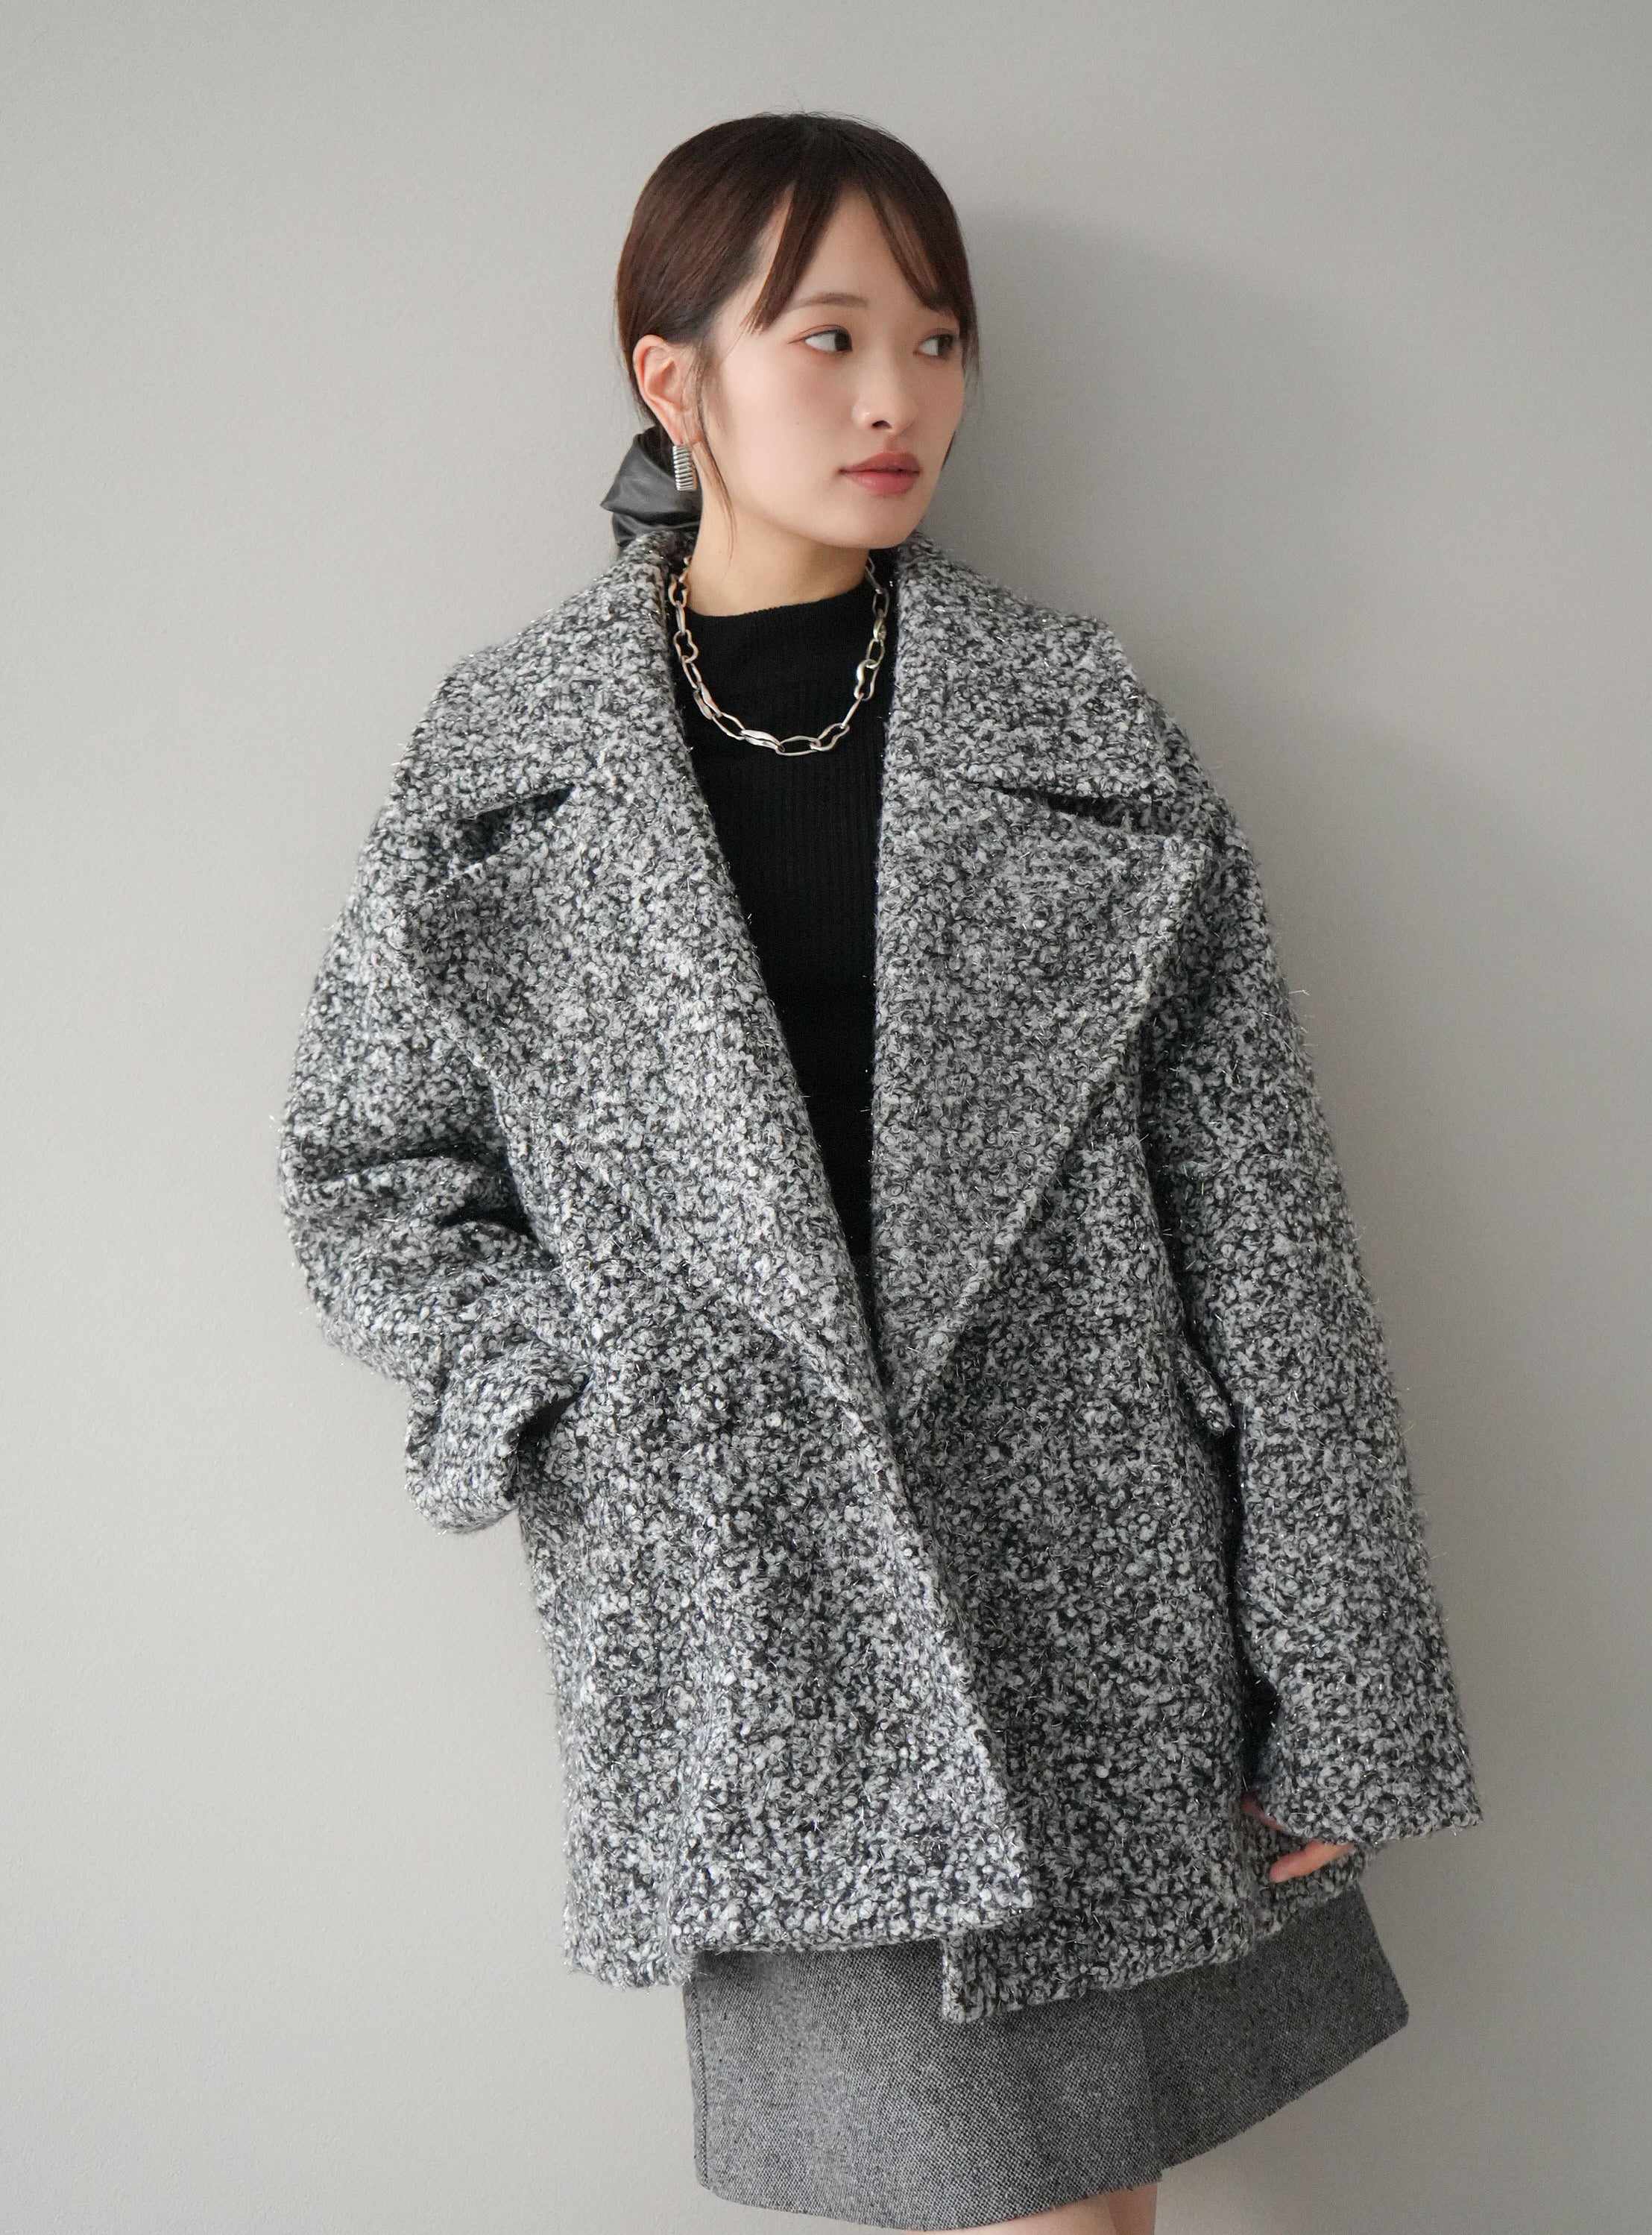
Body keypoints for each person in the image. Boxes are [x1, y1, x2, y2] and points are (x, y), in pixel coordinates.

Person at [277, 112, 1482, 2235]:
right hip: (757, 1618)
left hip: (1097, 1610)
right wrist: (575, 1397)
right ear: (674, 379)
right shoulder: (508, 759)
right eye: (827, 337)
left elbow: (1272, 1239)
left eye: (935, 338)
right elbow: (365, 1171)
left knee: (1072, 2215)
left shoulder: (1077, 725)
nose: (896, 396)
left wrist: (1337, 1680)